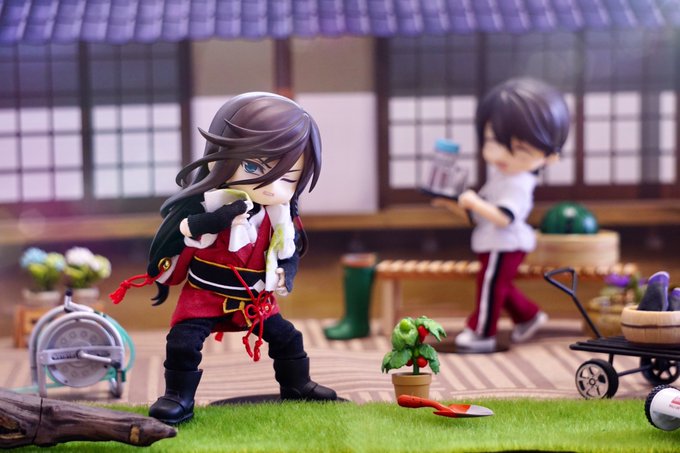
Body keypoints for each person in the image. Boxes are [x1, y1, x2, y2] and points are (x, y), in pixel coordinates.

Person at [110, 92, 337, 424]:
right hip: (205, 295)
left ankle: (297, 385)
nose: (271, 186)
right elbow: (187, 231)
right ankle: (178, 396)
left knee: (289, 338)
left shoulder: (280, 217)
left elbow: (289, 252)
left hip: (255, 299)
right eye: (253, 167)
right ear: (222, 159)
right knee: (183, 343)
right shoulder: (210, 205)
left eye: (288, 177)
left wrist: (285, 273)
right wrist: (220, 218)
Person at [433, 78, 570, 353]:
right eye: (492, 141)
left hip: (505, 243)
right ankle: (528, 316)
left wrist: (474, 202)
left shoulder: (518, 183)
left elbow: (504, 217)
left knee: (490, 286)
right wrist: (453, 204)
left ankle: (482, 332)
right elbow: (479, 215)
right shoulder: (503, 176)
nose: (500, 154)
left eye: (520, 148)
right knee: (498, 285)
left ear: (550, 156)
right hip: (493, 241)